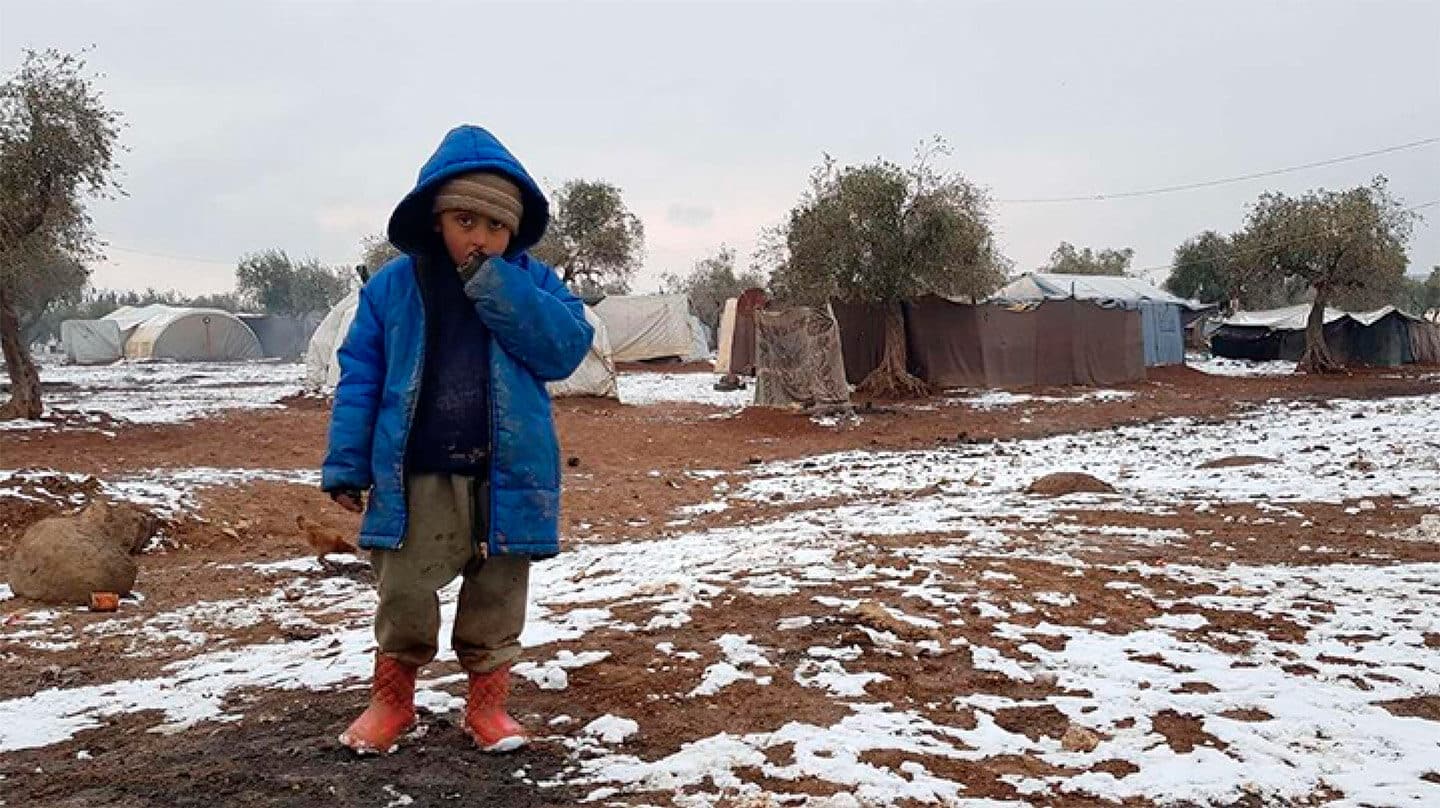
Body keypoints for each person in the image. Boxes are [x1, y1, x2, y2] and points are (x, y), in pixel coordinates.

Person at [321, 124, 592, 755]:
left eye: (497, 228)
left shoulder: (532, 282)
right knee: (405, 589)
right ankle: (392, 700)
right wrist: (346, 461)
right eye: (466, 220)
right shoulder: (394, 287)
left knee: (498, 592)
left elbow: (563, 350)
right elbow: (360, 374)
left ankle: (487, 708)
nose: (481, 238)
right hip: (418, 473)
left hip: (509, 470)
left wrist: (499, 286)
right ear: (437, 216)